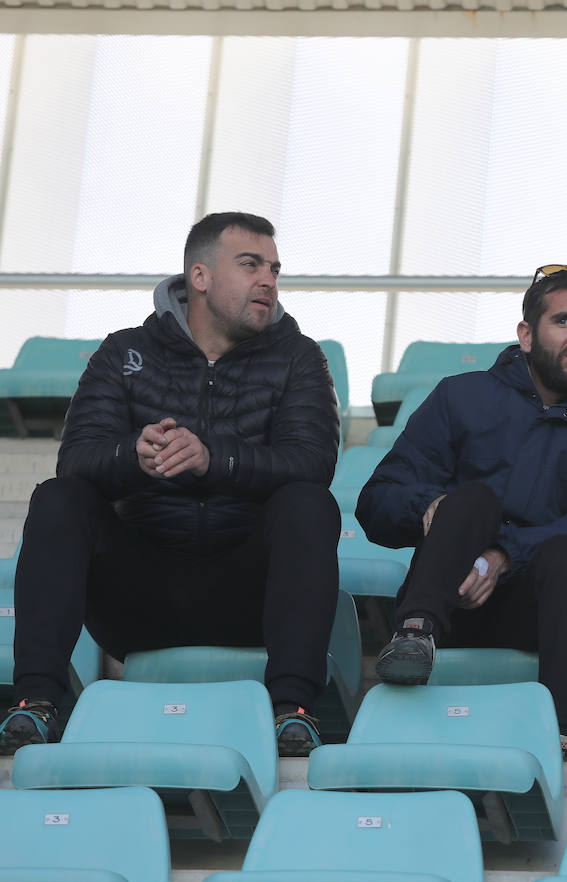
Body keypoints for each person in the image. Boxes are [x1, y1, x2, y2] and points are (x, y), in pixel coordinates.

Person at [0, 212, 341, 757]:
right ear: (200, 277)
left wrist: (214, 460)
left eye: (274, 268)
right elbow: (77, 458)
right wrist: (131, 455)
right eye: (250, 265)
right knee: (59, 498)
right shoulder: (123, 352)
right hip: (141, 594)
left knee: (309, 503)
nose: (269, 281)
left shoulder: (299, 357)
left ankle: (292, 710)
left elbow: (312, 462)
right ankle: (36, 703)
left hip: (249, 596)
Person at [356, 264, 567, 761]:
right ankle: (413, 637)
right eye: (564, 321)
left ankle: (560, 736)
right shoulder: (461, 396)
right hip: (446, 594)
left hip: (543, 609)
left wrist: (500, 558)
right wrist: (429, 508)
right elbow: (376, 502)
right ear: (527, 335)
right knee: (472, 500)